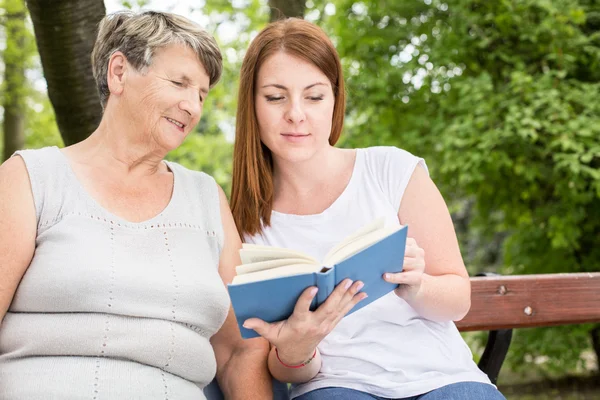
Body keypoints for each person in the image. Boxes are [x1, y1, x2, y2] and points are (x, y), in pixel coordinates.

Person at [230, 18, 506, 400]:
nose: (296, 114)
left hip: (440, 377)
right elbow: (276, 364)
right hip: (334, 385)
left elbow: (459, 298)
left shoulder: (391, 170)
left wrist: (417, 286)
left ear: (335, 100)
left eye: (314, 96)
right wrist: (296, 348)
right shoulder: (243, 222)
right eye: (276, 97)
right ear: (252, 105)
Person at [0, 10, 272, 399]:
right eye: (180, 83)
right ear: (119, 72)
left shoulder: (206, 198)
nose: (193, 107)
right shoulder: (30, 178)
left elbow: (240, 350)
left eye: (201, 94)